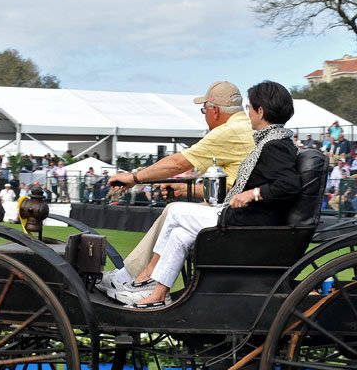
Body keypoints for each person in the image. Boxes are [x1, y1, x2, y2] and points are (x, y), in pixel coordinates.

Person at [121, 81, 303, 308]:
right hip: (247, 216)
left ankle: (144, 279)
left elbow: (289, 184)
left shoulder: (275, 144)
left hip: (247, 220)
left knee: (175, 211)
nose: (248, 114)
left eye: (250, 109)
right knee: (179, 235)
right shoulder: (272, 140)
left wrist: (252, 194)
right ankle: (158, 294)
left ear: (261, 111)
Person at [100, 80, 254, 301]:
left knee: (174, 210)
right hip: (237, 207)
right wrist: (185, 190)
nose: (204, 115)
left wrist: (134, 178)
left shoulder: (228, 131)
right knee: (177, 221)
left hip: (236, 213)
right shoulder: (245, 127)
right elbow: (230, 187)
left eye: (204, 110)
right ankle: (143, 281)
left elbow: (177, 164)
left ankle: (137, 277)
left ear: (215, 111)